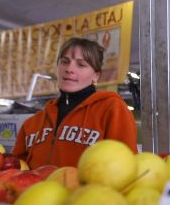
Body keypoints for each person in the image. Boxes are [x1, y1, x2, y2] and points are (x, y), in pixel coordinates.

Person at [13, 37, 137, 168]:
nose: (69, 69)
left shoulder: (112, 109)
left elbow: (126, 167)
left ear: (96, 75)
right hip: (39, 188)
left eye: (81, 64)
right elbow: (15, 170)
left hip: (90, 189)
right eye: (65, 62)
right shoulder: (31, 124)